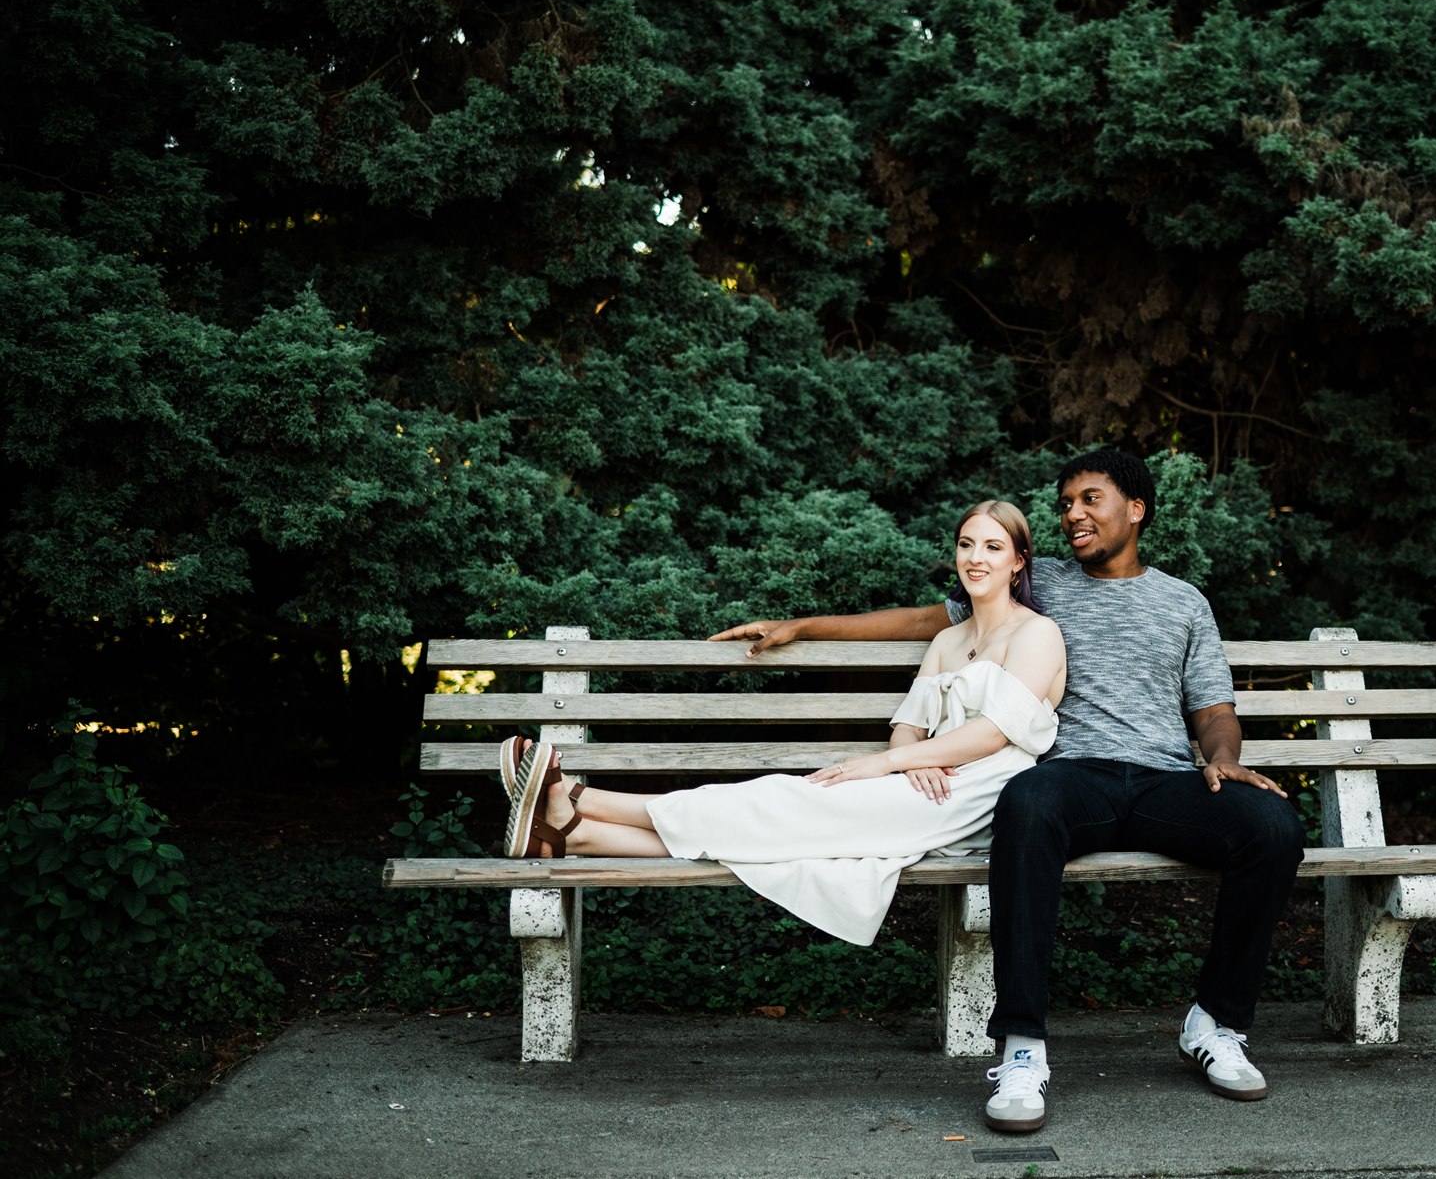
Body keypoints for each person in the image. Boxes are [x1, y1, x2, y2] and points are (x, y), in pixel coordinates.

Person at [714, 450, 1306, 1133]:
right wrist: (805, 626)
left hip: (1162, 782)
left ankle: (1217, 1023)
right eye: (1065, 504)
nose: (1072, 515)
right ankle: (1023, 1047)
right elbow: (923, 622)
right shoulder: (1040, 583)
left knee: (1272, 827)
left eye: (1090, 500)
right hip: (1070, 778)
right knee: (1024, 802)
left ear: (1136, 509)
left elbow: (1212, 708)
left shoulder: (1183, 602)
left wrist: (1224, 760)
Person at [502, 500, 1066, 947]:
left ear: (1018, 562)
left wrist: (895, 763)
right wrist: (911, 758)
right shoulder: (948, 640)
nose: (976, 558)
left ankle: (580, 795)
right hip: (926, 780)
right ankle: (577, 832)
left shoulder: (1036, 633)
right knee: (787, 825)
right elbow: (909, 726)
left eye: (993, 547)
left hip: (985, 793)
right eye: (967, 544)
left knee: (792, 803)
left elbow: (994, 734)